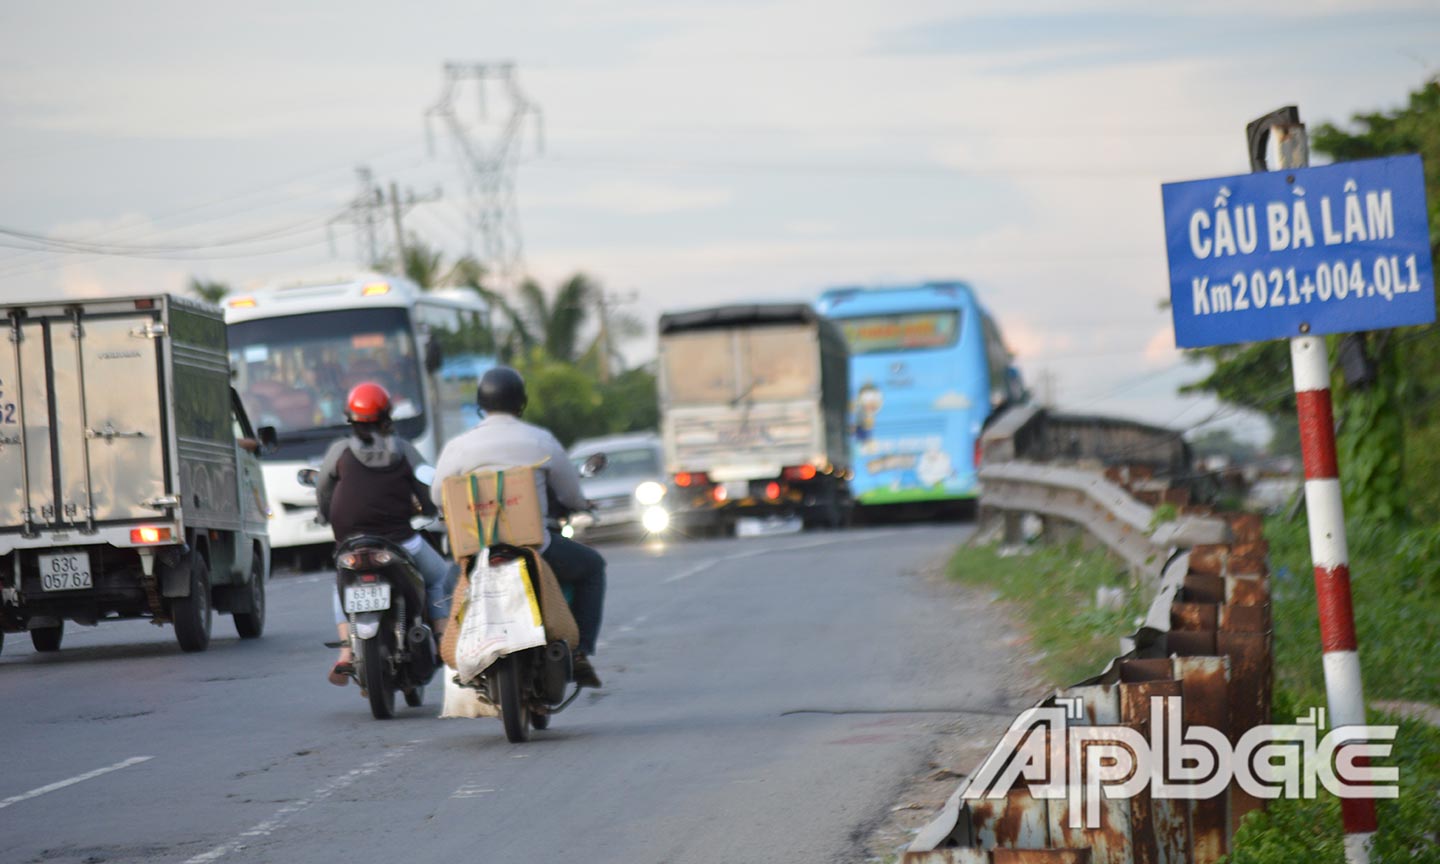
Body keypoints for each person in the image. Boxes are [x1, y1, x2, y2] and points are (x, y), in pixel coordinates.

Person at [431, 366, 606, 689]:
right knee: (593, 567)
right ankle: (580, 653)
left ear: (480, 403)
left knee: (445, 589)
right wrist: (582, 504)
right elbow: (568, 492)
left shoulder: (459, 447)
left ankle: (457, 659)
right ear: (520, 403)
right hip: (536, 547)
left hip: (477, 551)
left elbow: (438, 494)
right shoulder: (540, 439)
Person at [317, 382, 454, 687]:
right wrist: (432, 512)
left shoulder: (339, 451)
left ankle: (346, 654)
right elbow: (426, 489)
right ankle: (445, 641)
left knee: (341, 582)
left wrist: (323, 515)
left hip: (350, 543)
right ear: (387, 416)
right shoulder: (404, 450)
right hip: (400, 541)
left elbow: (324, 489)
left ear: (350, 418)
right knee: (439, 577)